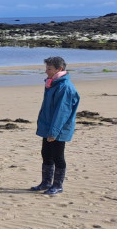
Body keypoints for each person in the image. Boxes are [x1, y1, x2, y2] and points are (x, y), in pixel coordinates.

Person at [30, 56, 80, 195]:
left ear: (60, 69)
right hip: (48, 126)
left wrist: (54, 132)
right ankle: (46, 182)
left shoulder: (65, 87)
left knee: (58, 156)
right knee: (46, 154)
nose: (46, 71)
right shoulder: (52, 83)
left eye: (49, 68)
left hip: (59, 129)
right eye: (46, 68)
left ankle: (57, 185)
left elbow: (62, 112)